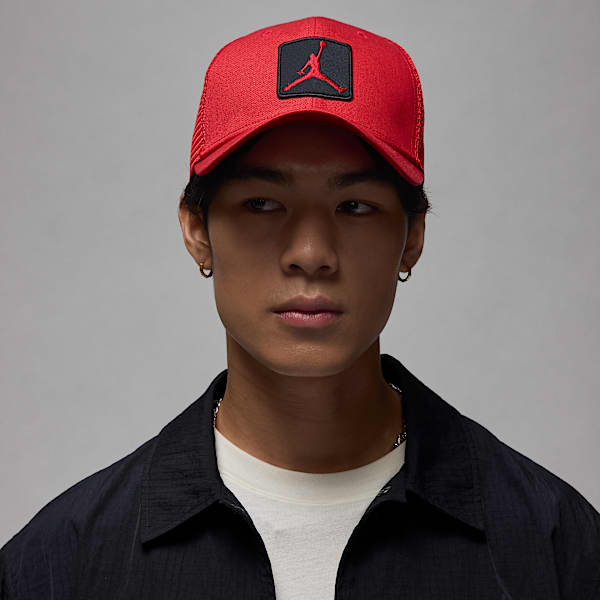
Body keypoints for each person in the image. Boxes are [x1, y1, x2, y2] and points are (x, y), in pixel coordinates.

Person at [1, 15, 599, 600]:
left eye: (355, 207)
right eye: (262, 204)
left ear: (412, 237)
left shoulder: (557, 547)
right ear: (196, 229)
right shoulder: (59, 565)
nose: (311, 254)